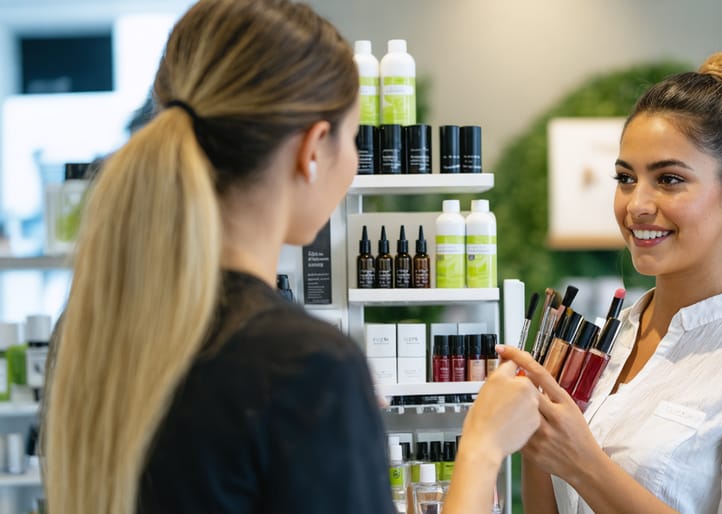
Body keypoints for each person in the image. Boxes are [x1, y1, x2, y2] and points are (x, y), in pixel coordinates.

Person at [42, 1, 540, 513]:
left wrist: (326, 429)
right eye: (354, 138)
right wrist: (483, 447)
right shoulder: (303, 365)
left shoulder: (85, 332)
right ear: (313, 149)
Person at [499, 51, 722, 514]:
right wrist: (538, 439)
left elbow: (583, 470)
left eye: (669, 179)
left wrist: (583, 464)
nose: (637, 205)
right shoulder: (603, 346)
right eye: (626, 178)